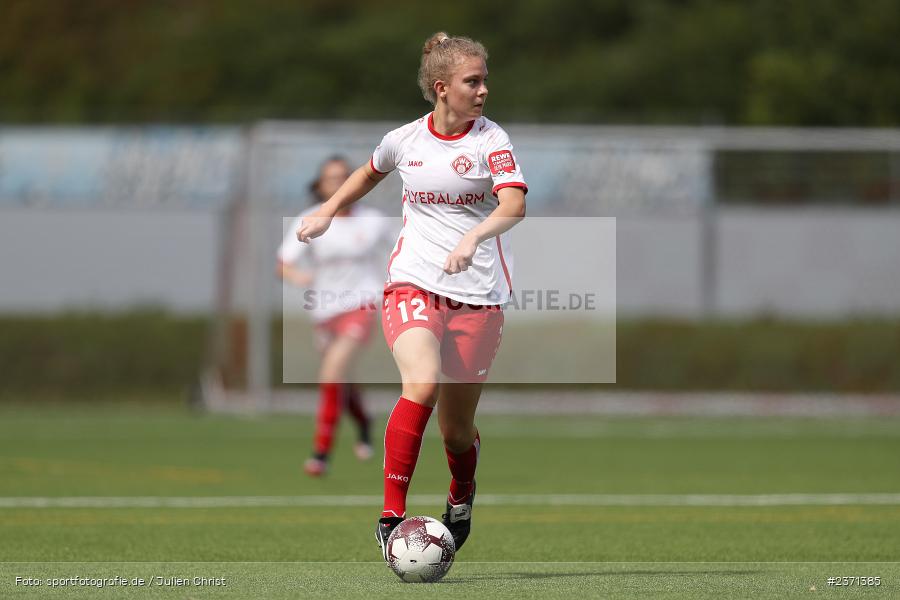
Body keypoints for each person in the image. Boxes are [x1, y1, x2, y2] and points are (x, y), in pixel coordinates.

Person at [296, 32, 527, 557]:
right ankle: (391, 515)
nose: (484, 90)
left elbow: (513, 206)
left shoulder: (492, 141)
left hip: (479, 298)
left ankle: (461, 494)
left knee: (456, 433)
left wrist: (474, 236)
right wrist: (328, 209)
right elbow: (367, 172)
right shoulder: (405, 140)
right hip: (412, 283)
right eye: (473, 81)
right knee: (419, 384)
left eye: (485, 79)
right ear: (443, 88)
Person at [278, 155, 391, 477]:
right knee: (341, 378)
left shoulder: (373, 220)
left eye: (345, 176)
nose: (339, 182)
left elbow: (401, 252)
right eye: (331, 178)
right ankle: (364, 422)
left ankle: (321, 453)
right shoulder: (310, 218)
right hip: (324, 310)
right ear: (320, 184)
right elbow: (284, 262)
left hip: (362, 304)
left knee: (331, 373)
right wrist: (300, 277)